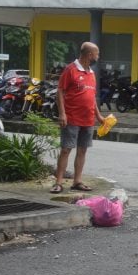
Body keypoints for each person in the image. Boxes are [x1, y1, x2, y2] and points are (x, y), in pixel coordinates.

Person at [51, 42, 105, 194]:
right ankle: (59, 182)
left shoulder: (91, 72)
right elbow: (60, 91)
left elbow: (91, 96)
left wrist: (98, 115)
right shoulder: (70, 70)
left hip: (88, 119)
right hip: (72, 117)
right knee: (66, 149)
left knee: (82, 150)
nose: (98, 56)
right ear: (89, 55)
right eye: (97, 54)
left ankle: (77, 181)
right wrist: (62, 113)